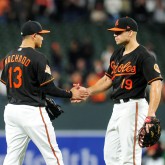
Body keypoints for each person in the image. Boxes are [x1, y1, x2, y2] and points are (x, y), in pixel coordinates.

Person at [73, 17, 163, 165]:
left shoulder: (144, 55)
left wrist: (151, 115)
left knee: (130, 158)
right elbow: (108, 80)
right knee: (111, 156)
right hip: (117, 108)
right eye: (114, 32)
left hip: (134, 106)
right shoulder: (116, 54)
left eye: (119, 32)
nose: (115, 35)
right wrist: (87, 91)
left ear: (130, 33)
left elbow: (156, 84)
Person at [0, 20, 87, 165]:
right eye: (41, 35)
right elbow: (49, 88)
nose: (42, 38)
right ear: (34, 36)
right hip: (31, 111)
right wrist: (71, 94)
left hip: (11, 111)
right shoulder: (38, 57)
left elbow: (8, 84)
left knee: (13, 157)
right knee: (53, 154)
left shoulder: (9, 56)